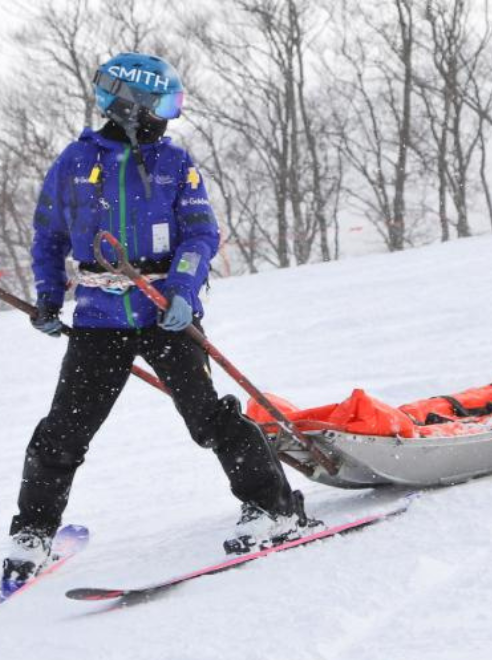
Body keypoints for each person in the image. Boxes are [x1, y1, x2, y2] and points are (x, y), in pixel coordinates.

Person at [2, 53, 312, 591]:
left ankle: (274, 507)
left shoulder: (175, 163)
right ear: (130, 106)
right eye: (162, 104)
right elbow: (48, 236)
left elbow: (200, 233)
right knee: (63, 431)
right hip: (100, 319)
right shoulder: (74, 163)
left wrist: (183, 290)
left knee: (210, 418)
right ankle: (31, 534)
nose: (169, 116)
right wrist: (50, 299)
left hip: (163, 314)